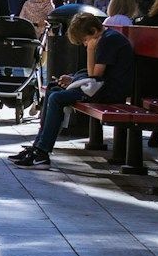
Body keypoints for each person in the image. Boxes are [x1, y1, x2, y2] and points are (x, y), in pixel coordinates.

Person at [11, 13, 133, 166]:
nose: (85, 44)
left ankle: (42, 152)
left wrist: (90, 50)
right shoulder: (105, 37)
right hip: (101, 87)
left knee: (56, 98)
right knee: (52, 90)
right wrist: (74, 79)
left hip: (111, 92)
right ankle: (38, 147)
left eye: (85, 40)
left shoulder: (109, 41)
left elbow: (94, 75)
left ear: (94, 31)